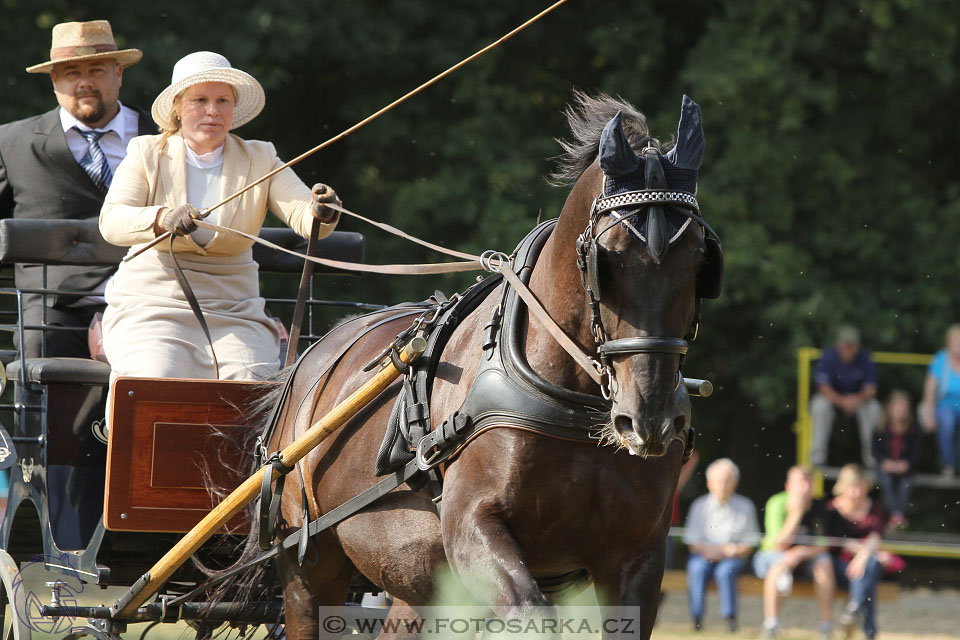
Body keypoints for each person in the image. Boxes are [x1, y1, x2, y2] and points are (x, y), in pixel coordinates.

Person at [99, 51, 341, 387]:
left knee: (248, 385)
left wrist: (323, 210)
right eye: (200, 99)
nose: (213, 111)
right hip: (152, 307)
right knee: (156, 379)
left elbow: (304, 213)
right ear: (178, 107)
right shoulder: (146, 152)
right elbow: (112, 221)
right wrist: (163, 218)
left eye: (222, 100)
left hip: (236, 312)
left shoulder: (261, 157)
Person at [0, 20, 156, 358]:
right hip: (53, 315)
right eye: (71, 73)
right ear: (54, 81)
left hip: (152, 304)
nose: (84, 83)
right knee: (38, 351)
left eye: (97, 70)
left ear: (119, 73)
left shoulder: (162, 138)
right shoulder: (11, 142)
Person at [820, 464, 903, 640]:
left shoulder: (874, 507)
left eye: (860, 487)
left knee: (867, 569)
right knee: (869, 572)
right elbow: (836, 543)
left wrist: (862, 557)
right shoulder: (831, 510)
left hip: (864, 563)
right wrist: (866, 555)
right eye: (852, 487)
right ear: (843, 487)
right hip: (839, 566)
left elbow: (875, 537)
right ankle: (869, 630)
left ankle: (855, 607)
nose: (857, 492)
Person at [752, 466, 834, 638]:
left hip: (805, 557)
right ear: (788, 486)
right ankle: (771, 625)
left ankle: (825, 627)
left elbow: (824, 545)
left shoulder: (821, 507)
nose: (805, 487)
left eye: (809, 482)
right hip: (772, 556)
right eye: (800, 482)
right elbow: (779, 545)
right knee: (779, 565)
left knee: (825, 562)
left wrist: (800, 553)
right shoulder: (776, 502)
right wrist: (796, 513)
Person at [682, 458, 759, 632]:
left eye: (727, 480)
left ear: (735, 483)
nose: (723, 485)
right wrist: (714, 551)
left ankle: (730, 619)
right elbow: (692, 542)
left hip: (733, 557)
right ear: (709, 483)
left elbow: (751, 542)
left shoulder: (746, 506)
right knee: (697, 569)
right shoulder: (699, 506)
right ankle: (697, 618)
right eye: (718, 480)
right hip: (704, 555)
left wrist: (731, 551)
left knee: (726, 571)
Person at [810, 326, 882, 468]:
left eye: (853, 346)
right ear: (838, 345)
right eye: (846, 346)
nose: (850, 350)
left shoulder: (865, 358)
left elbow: (871, 390)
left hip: (858, 403)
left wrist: (855, 400)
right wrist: (843, 401)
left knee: (874, 408)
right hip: (834, 402)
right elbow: (823, 387)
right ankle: (817, 457)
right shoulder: (828, 357)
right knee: (819, 406)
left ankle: (872, 458)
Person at [872, 390, 921, 528]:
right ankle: (897, 515)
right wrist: (885, 462)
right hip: (885, 466)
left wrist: (907, 464)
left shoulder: (914, 429)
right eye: (897, 407)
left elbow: (917, 452)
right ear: (889, 408)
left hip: (906, 468)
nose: (900, 411)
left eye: (903, 408)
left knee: (906, 483)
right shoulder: (880, 428)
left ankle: (896, 515)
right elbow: (875, 450)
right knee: (886, 480)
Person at [921, 324, 960, 476]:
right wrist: (929, 415)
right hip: (945, 406)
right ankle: (948, 466)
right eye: (955, 341)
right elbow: (929, 390)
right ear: (948, 343)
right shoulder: (941, 359)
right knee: (947, 422)